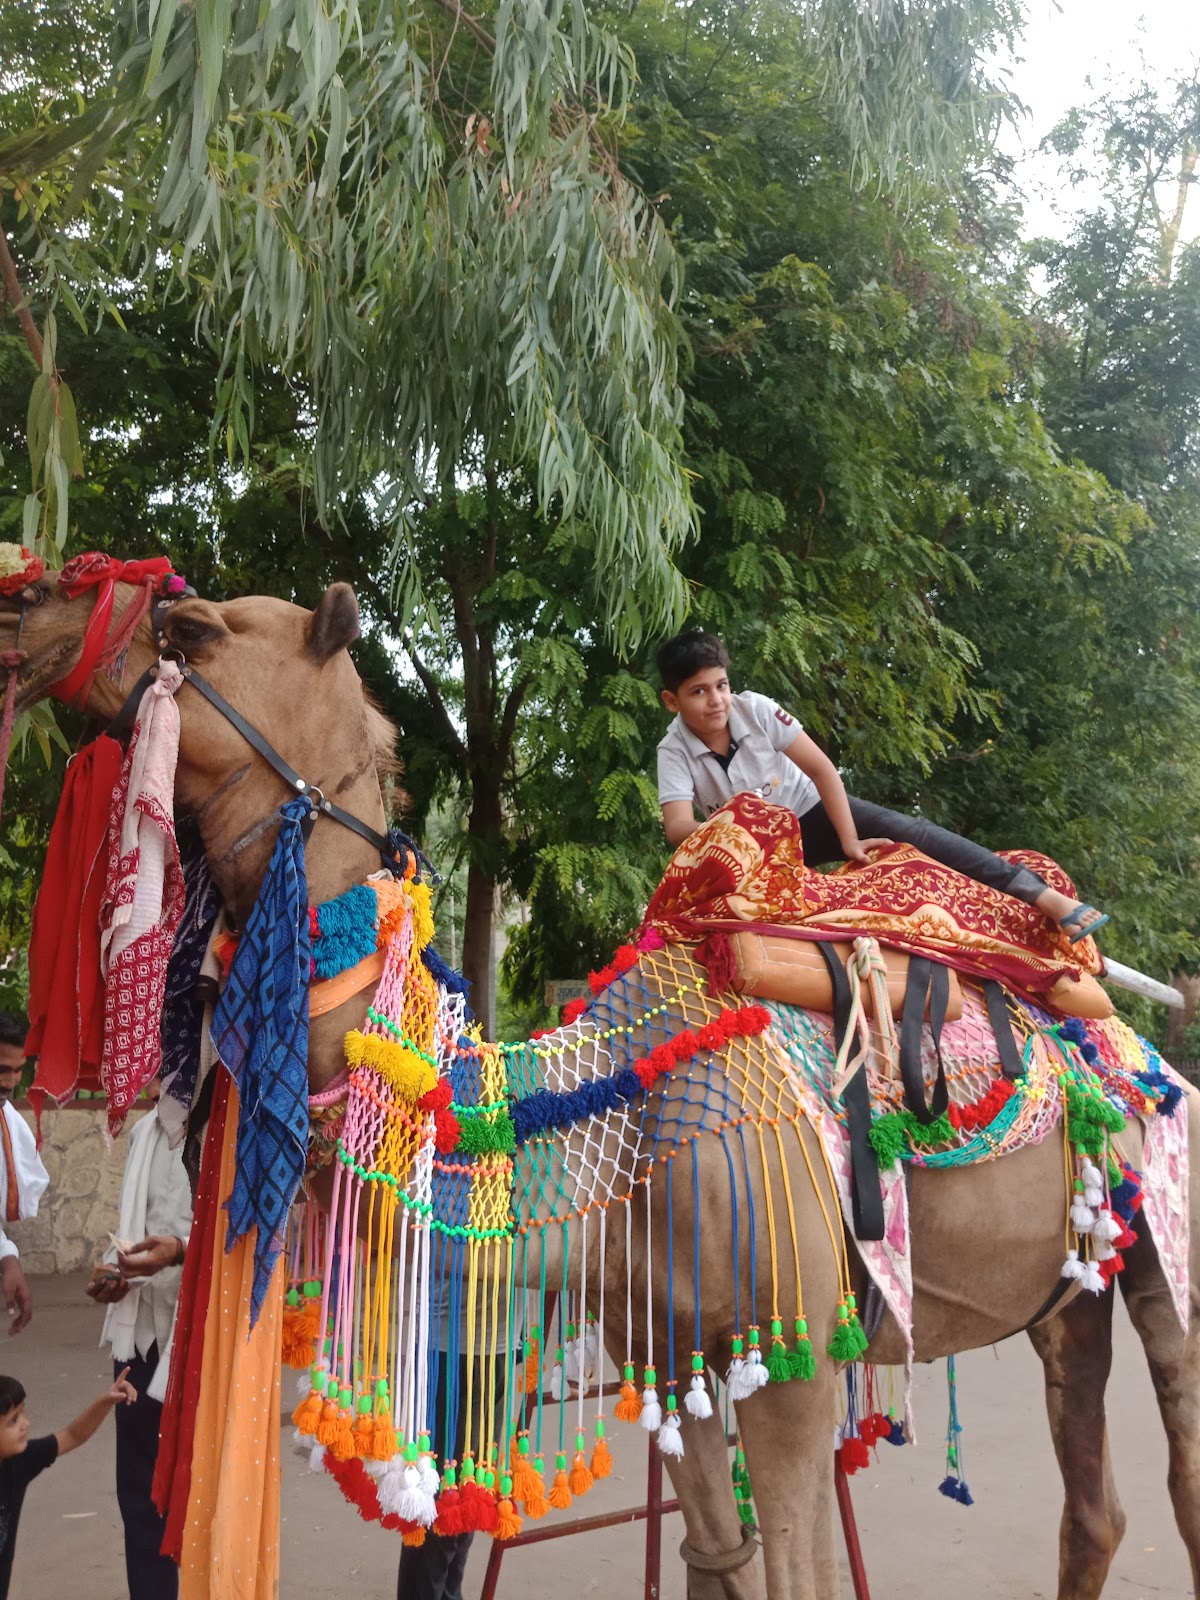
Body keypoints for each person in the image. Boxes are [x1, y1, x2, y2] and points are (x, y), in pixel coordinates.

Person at [654, 630, 1109, 942]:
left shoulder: (754, 709)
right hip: (756, 847)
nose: (716, 700)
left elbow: (822, 770)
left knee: (912, 832)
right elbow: (677, 826)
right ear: (672, 700)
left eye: (721, 685)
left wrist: (848, 838)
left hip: (810, 810)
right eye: (699, 691)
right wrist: (740, 832)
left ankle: (1042, 896)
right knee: (710, 912)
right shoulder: (672, 750)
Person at [86, 1077, 191, 1600]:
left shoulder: (232, 1133)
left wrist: (179, 1251)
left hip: (199, 1342)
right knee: (141, 1497)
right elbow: (135, 1226)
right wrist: (111, 1273)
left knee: (204, 1496)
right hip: (140, 1339)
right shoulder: (145, 1132)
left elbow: (252, 1239)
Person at [0, 1367, 137, 1598]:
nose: (25, 1424)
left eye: (22, 1413)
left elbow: (72, 1436)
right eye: (12, 1421)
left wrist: (105, 1401)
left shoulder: (19, 1463)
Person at [0, 1014, 50, 1337]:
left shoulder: (7, 1117)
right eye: (2, 1070)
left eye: (17, 1070)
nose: (10, 1081)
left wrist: (8, 1257)